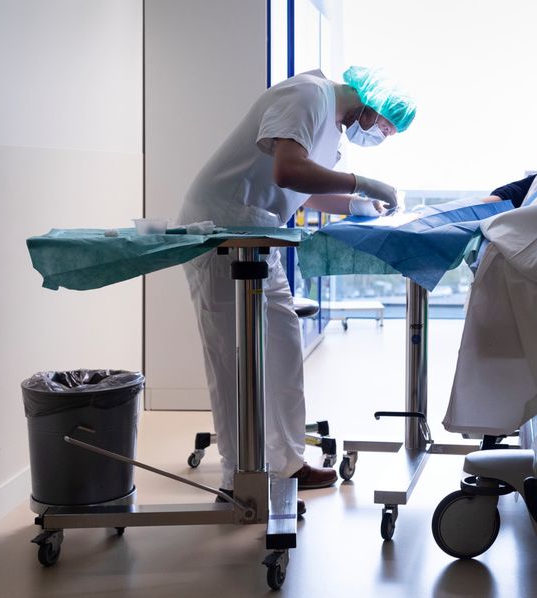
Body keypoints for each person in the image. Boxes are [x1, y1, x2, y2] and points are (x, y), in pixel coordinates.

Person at [177, 66, 416, 501]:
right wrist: (362, 181)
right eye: (386, 125)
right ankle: (237, 477)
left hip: (257, 232)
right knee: (230, 356)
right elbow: (288, 171)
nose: (383, 134)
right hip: (216, 228)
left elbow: (302, 189)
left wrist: (356, 203)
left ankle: (288, 464)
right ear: (373, 103)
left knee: (283, 344)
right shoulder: (309, 95)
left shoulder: (331, 128)